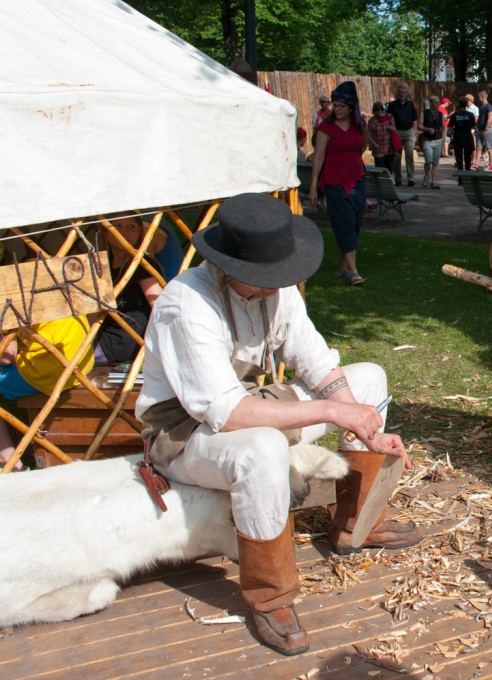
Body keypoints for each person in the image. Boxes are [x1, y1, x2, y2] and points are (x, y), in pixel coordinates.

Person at [136, 192, 418, 655]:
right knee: (262, 447)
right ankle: (271, 595)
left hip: (245, 406)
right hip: (182, 436)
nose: (277, 284)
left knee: (368, 381)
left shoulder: (276, 291)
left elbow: (318, 365)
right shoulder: (185, 303)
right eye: (265, 277)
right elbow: (229, 414)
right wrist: (332, 412)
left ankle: (356, 524)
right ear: (231, 266)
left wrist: (362, 423)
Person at [0, 316, 95, 471]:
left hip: (45, 370)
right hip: (81, 361)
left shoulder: (6, 294)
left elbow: (7, 356)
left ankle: (11, 466)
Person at [310, 81, 369, 285]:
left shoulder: (360, 125)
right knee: (343, 222)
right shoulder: (325, 127)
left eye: (342, 106)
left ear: (351, 106)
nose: (338, 109)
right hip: (334, 180)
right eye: (335, 105)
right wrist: (313, 186)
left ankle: (343, 268)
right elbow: (318, 157)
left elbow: (363, 147)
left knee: (355, 222)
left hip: (356, 179)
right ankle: (354, 272)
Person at [94, 213, 165, 365]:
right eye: (118, 226)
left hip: (122, 343)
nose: (125, 232)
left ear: (140, 231)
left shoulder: (141, 264)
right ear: (106, 231)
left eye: (131, 226)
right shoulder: (104, 268)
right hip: (103, 337)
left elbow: (159, 304)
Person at [385, 83, 418, 187]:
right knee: (397, 157)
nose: (401, 94)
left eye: (403, 92)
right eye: (399, 92)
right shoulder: (392, 105)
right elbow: (388, 117)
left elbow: (415, 118)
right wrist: (391, 129)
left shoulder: (410, 104)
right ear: (397, 93)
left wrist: (415, 131)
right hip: (397, 131)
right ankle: (398, 179)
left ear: (406, 93)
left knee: (409, 155)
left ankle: (411, 178)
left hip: (409, 132)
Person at [418, 95, 444, 189]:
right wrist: (427, 129)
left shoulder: (441, 114)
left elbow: (444, 127)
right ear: (431, 102)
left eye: (438, 102)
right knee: (428, 161)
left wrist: (443, 137)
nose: (438, 104)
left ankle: (433, 181)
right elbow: (419, 126)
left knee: (435, 163)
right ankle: (426, 175)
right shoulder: (424, 113)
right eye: (436, 102)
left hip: (438, 140)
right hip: (427, 140)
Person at [450, 97, 476, 182]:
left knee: (459, 158)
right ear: (466, 105)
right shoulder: (470, 115)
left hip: (458, 137)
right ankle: (467, 176)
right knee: (468, 158)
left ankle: (460, 178)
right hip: (468, 137)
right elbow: (474, 125)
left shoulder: (454, 115)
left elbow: (450, 126)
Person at [367, 102, 397, 176]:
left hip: (389, 147)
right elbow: (367, 134)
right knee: (380, 169)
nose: (380, 111)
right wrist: (374, 144)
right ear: (374, 111)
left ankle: (390, 184)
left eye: (381, 109)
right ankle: (381, 185)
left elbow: (394, 128)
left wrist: (391, 128)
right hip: (378, 147)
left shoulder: (389, 117)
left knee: (390, 168)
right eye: (377, 110)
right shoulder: (372, 120)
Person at [473, 90, 492, 170]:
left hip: (486, 130)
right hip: (479, 129)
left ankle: (491, 165)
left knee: (489, 147)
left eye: (479, 97)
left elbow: (490, 117)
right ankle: (476, 163)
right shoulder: (481, 107)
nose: (478, 99)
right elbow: (480, 118)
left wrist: (486, 129)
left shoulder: (489, 107)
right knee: (478, 147)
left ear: (482, 97)